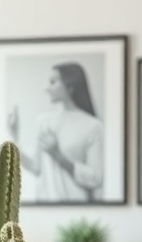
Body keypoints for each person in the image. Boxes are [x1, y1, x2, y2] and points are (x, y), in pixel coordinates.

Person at [7, 62, 104, 202]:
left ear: (70, 85)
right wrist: (14, 135)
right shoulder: (44, 121)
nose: (47, 88)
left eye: (53, 82)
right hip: (45, 207)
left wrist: (58, 156)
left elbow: (95, 178)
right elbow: (36, 167)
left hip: (78, 207)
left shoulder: (93, 126)